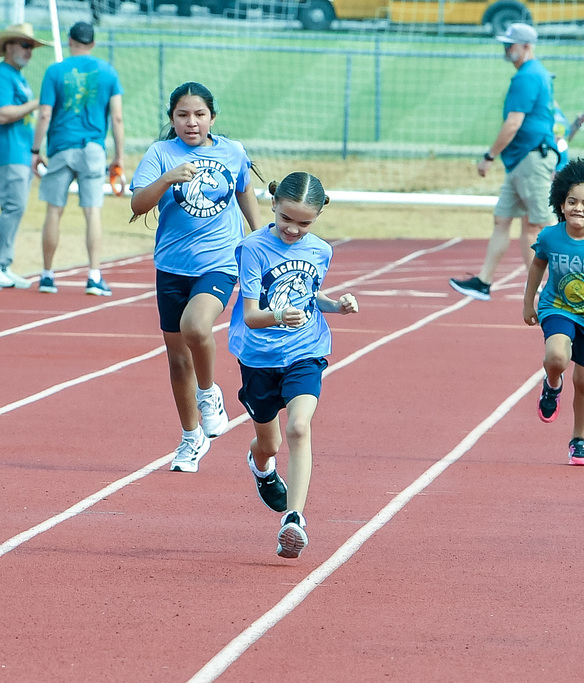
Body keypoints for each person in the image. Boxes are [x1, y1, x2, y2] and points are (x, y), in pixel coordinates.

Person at [129, 81, 261, 473]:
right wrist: (168, 178)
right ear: (172, 119)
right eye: (183, 115)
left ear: (212, 118)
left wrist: (256, 238)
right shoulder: (160, 154)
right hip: (171, 266)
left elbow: (244, 190)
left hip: (220, 261)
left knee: (196, 327)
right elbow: (137, 204)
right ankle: (191, 438)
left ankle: (209, 394)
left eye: (199, 114)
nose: (191, 122)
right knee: (177, 360)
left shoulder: (232, 151)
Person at [228, 172, 358, 559]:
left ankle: (294, 519)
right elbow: (251, 316)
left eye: (305, 223)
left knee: (299, 427)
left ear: (319, 216)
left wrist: (337, 305)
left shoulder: (321, 250)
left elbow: (310, 295)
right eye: (287, 219)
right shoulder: (253, 248)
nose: (294, 229)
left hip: (306, 350)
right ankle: (261, 466)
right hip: (259, 357)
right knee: (270, 443)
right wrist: (280, 315)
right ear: (273, 205)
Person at [523, 158, 584, 467]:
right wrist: (529, 301)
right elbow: (538, 265)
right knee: (556, 357)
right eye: (572, 201)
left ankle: (579, 440)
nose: (578, 208)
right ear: (561, 204)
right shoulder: (551, 237)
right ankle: (552, 385)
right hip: (557, 307)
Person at [449, 22, 557, 302]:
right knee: (503, 219)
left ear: (526, 46)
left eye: (510, 45)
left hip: (530, 157)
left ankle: (546, 287)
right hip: (521, 159)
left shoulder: (528, 77)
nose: (506, 50)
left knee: (536, 224)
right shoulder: (534, 74)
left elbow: (513, 123)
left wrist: (489, 156)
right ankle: (484, 282)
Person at [32, 21, 125, 296]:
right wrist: (119, 156)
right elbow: (117, 117)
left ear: (69, 40)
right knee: (92, 212)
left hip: (61, 147)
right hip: (93, 149)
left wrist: (35, 151)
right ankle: (94, 276)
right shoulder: (108, 72)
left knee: (54, 211)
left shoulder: (55, 71)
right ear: (93, 44)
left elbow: (45, 114)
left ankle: (47, 275)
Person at [0, 23, 49, 290]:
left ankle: (4, 264)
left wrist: (35, 150)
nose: (29, 52)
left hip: (19, 152)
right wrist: (37, 102)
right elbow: (4, 113)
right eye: (25, 45)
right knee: (13, 207)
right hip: (7, 153)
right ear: (8, 46)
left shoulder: (18, 77)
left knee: (15, 208)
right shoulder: (3, 75)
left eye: (31, 47)